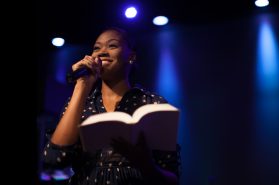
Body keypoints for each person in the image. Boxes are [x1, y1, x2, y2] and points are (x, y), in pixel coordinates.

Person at [42, 27, 181, 185]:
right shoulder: (80, 102)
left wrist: (146, 165)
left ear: (131, 56)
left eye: (112, 45)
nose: (101, 52)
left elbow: (172, 179)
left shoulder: (153, 103)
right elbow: (52, 160)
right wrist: (81, 86)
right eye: (96, 48)